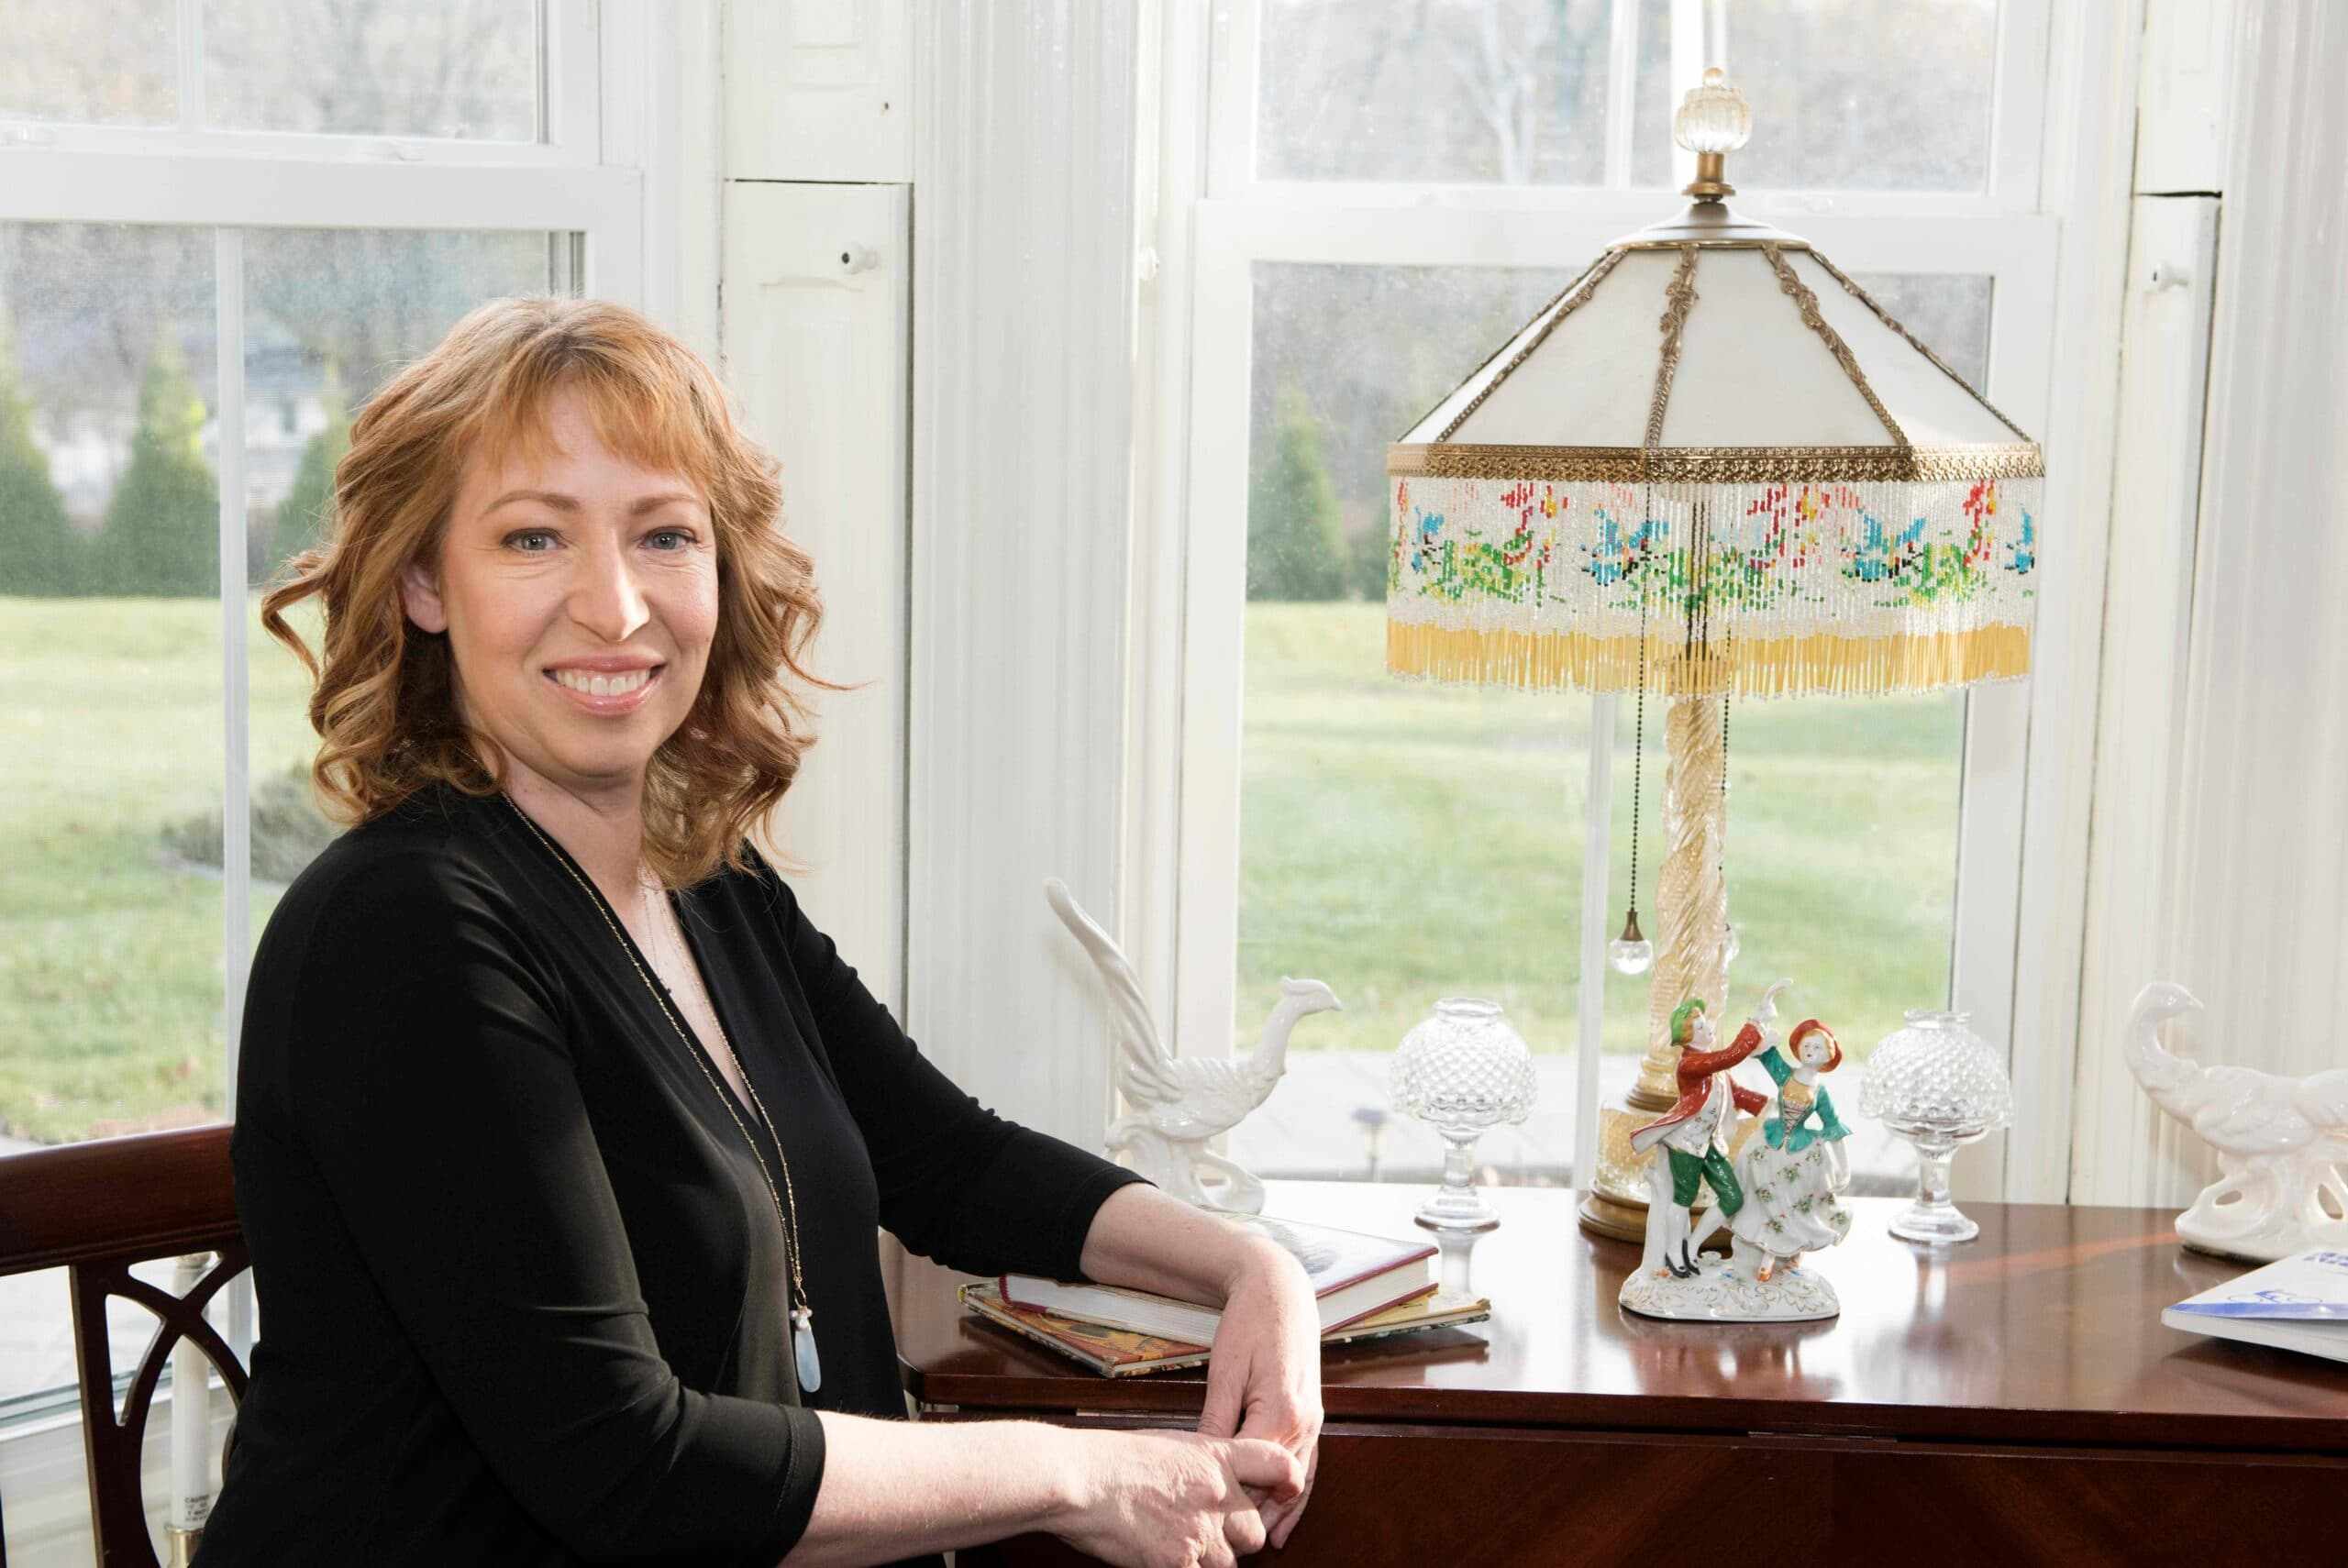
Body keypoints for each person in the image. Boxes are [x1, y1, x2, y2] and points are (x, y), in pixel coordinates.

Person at [192, 297, 1320, 1568]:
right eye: (532, 537)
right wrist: (1072, 1470)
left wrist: (1248, 1267)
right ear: (422, 583)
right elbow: (629, 1466)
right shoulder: (404, 931)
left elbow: (951, 1161)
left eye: (664, 534)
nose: (616, 607)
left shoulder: (709, 885)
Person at [1628, 988, 1780, 1281]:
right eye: (1699, 1028)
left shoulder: (1713, 1065)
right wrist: (1756, 1024)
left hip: (1710, 1143)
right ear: (1686, 1037)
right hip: (1686, 1143)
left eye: (1706, 1023)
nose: (1707, 1029)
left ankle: (1693, 1243)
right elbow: (1731, 1055)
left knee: (1732, 1197)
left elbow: (1734, 1093)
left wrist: (1770, 1106)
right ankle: (1674, 1251)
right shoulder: (1691, 1064)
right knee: (1683, 1199)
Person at [1727, 1018, 1854, 1282]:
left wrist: (1844, 1165)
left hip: (1800, 1153)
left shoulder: (1820, 1091)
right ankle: (1764, 1253)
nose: (1811, 1051)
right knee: (1764, 1199)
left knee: (1794, 1206)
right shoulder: (1786, 1076)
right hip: (1771, 1144)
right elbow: (1766, 1054)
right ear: (1798, 1049)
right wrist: (1762, 1024)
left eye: (1818, 1048)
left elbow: (1833, 1127)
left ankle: (1788, 1258)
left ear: (1827, 1057)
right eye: (1807, 1045)